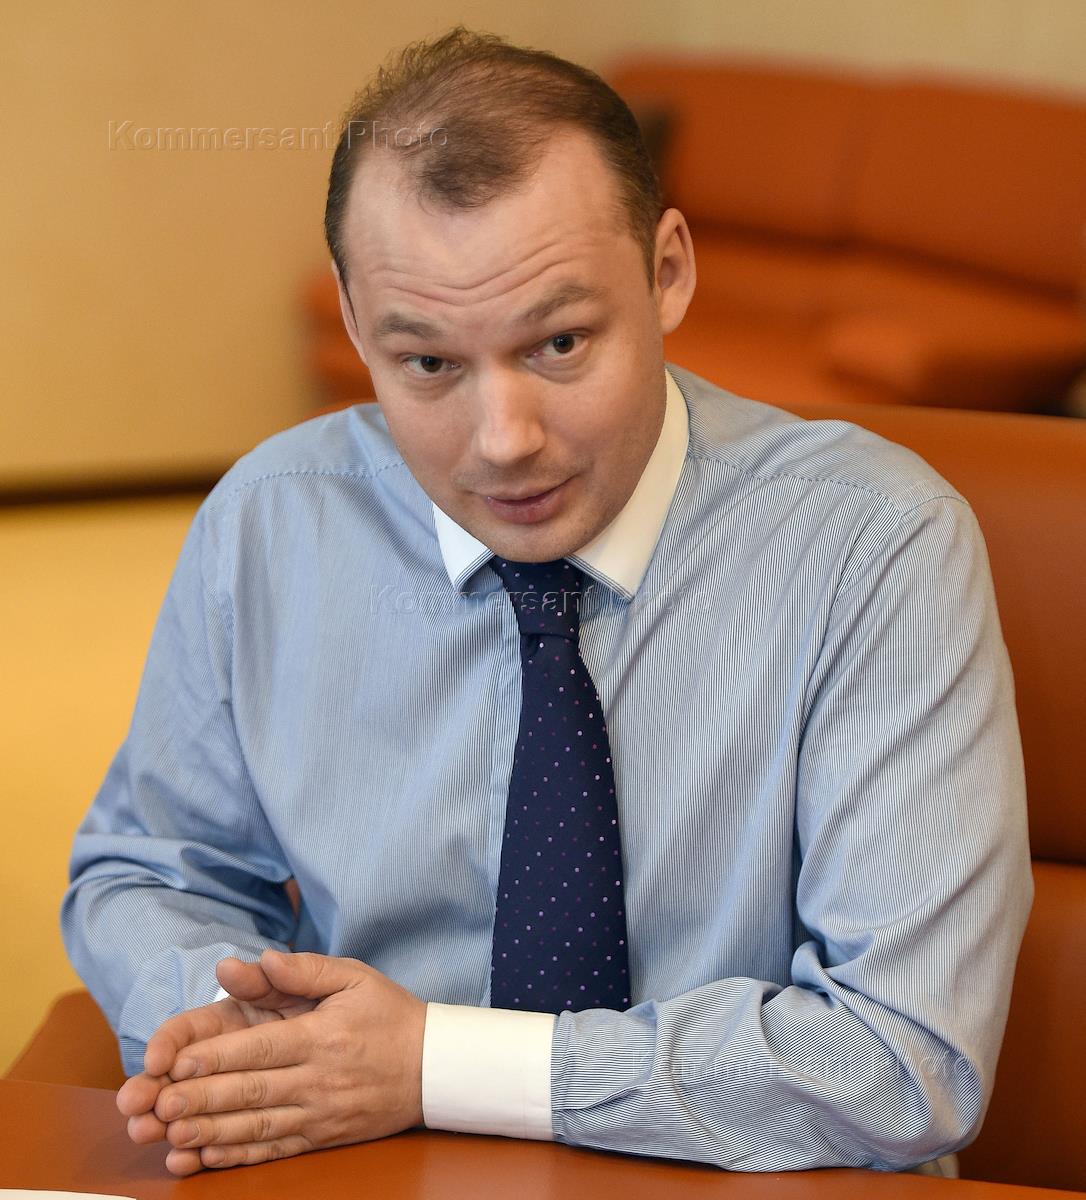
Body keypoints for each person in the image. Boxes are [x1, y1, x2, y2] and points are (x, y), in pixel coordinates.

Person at [62, 25, 1032, 1179]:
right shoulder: (271, 524)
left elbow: (905, 1058)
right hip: (366, 1164)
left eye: (561, 342)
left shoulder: (872, 544)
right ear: (357, 321)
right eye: (428, 364)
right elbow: (151, 869)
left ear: (668, 272)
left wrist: (430, 1064)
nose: (503, 441)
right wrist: (237, 1036)